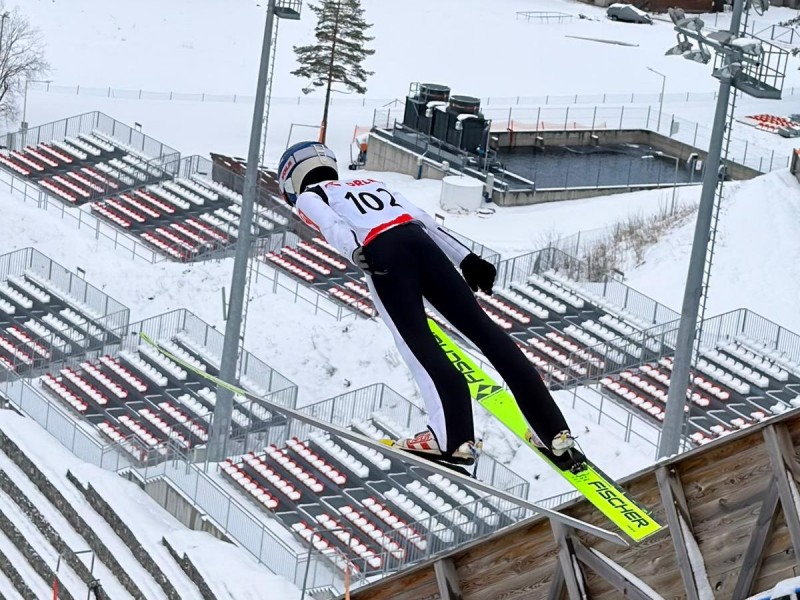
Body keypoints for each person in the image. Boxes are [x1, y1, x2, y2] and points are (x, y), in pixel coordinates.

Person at [277, 141, 576, 466]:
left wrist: (353, 251)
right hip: (422, 244)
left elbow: (330, 224)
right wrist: (467, 259)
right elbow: (424, 220)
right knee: (486, 332)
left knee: (417, 342)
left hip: (381, 252)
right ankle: (553, 431)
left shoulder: (311, 195)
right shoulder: (370, 183)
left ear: (292, 179)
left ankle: (452, 437)